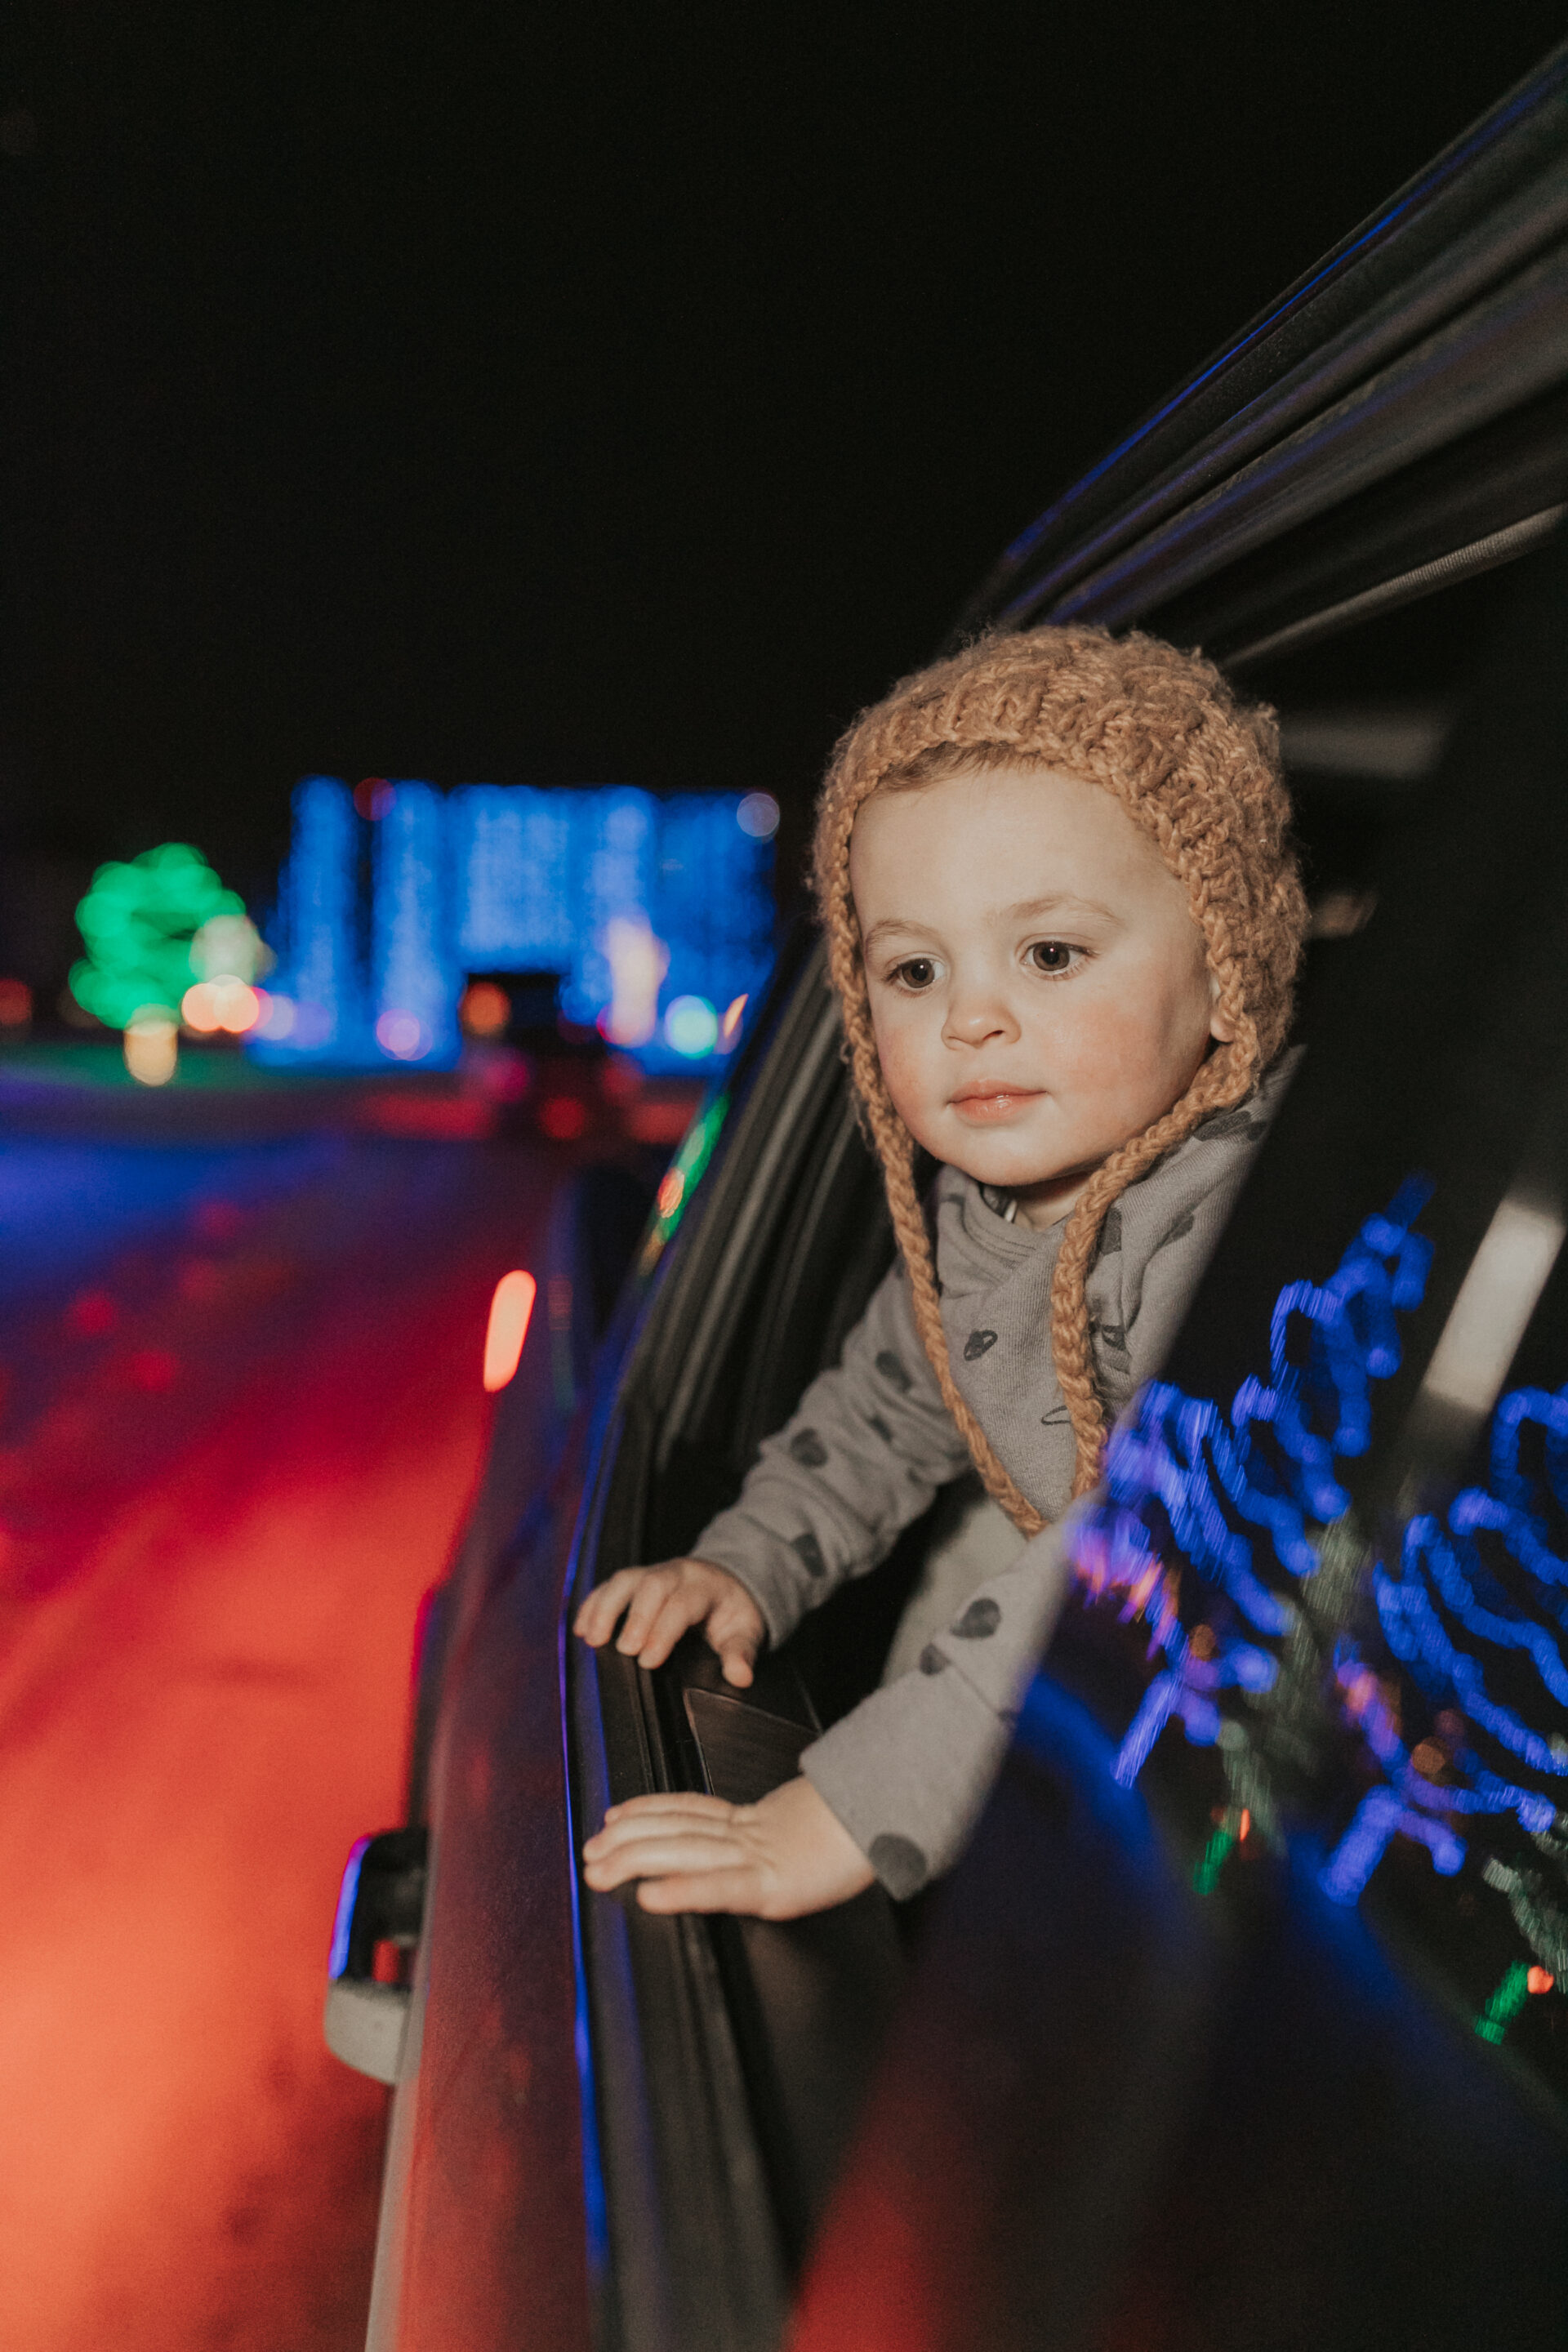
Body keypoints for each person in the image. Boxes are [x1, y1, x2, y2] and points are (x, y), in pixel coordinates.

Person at [576, 624, 1307, 1919]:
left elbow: (1131, 1563)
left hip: (1233, 1815)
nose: (971, 1017)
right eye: (914, 970)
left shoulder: (1253, 1244)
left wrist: (850, 1809)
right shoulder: (975, 1213)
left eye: (1051, 954)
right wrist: (745, 1565)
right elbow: (884, 1412)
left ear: (1224, 968)